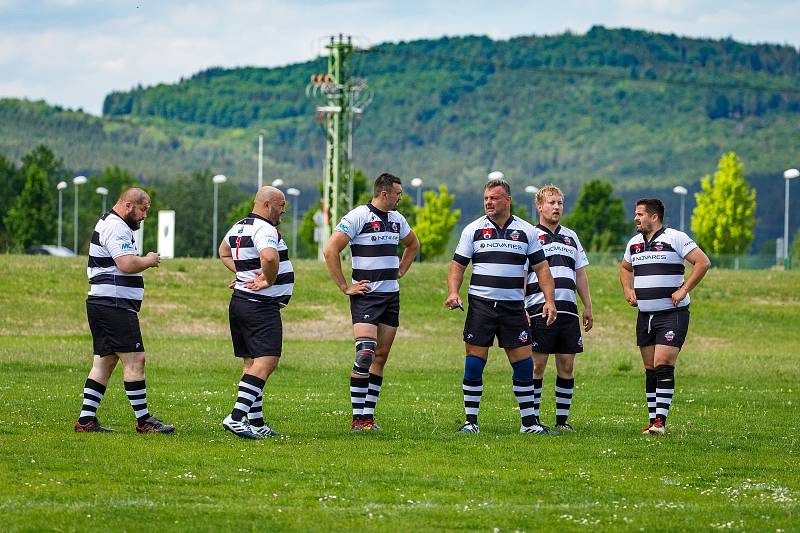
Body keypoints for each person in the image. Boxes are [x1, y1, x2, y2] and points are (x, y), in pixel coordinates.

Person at [445, 178, 558, 435]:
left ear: (507, 200)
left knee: (523, 364)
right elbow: (458, 265)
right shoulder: (472, 230)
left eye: (494, 198)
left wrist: (549, 301)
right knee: (474, 361)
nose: (489, 202)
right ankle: (470, 422)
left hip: (513, 308)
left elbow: (541, 268)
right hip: (481, 306)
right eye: (486, 198)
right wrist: (453, 292)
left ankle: (528, 424)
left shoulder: (526, 231)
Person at [323, 173, 419, 432]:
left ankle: (368, 417)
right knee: (365, 352)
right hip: (366, 297)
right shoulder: (357, 217)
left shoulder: (398, 220)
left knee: (381, 357)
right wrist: (345, 286)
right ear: (384, 193)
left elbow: (413, 245)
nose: (401, 198)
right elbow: (330, 250)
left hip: (391, 296)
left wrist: (400, 270)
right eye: (398, 193)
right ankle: (357, 419)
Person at [74, 188, 175, 433]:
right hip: (113, 305)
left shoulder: (113, 224)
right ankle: (144, 421)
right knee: (135, 360)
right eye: (143, 210)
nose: (145, 216)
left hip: (105, 303)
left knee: (105, 363)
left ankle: (86, 420)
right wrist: (149, 260)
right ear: (129, 206)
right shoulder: (116, 226)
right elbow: (127, 264)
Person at [620, 198, 710, 435]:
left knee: (663, 364)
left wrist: (683, 290)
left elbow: (702, 262)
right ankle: (652, 421)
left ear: (654, 217)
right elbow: (625, 268)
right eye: (636, 214)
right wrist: (628, 290)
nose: (636, 218)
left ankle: (660, 421)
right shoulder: (634, 243)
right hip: (645, 315)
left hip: (672, 314)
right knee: (650, 368)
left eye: (640, 214)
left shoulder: (676, 238)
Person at [218, 186, 294, 439]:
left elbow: (223, 251)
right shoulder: (264, 229)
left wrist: (241, 273)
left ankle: (257, 421)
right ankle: (237, 417)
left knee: (251, 363)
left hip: (241, 302)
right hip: (259, 306)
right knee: (267, 360)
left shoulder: (240, 226)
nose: (284, 210)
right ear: (266, 205)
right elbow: (270, 258)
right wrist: (268, 280)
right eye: (281, 205)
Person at [525, 185, 593, 433]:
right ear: (540, 207)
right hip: (539, 308)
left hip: (568, 310)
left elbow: (580, 273)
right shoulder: (530, 235)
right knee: (537, 365)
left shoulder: (571, 237)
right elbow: (523, 272)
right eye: (551, 203)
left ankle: (562, 421)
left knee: (566, 365)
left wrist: (587, 306)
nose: (556, 207)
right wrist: (522, 306)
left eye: (560, 203)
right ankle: (532, 419)